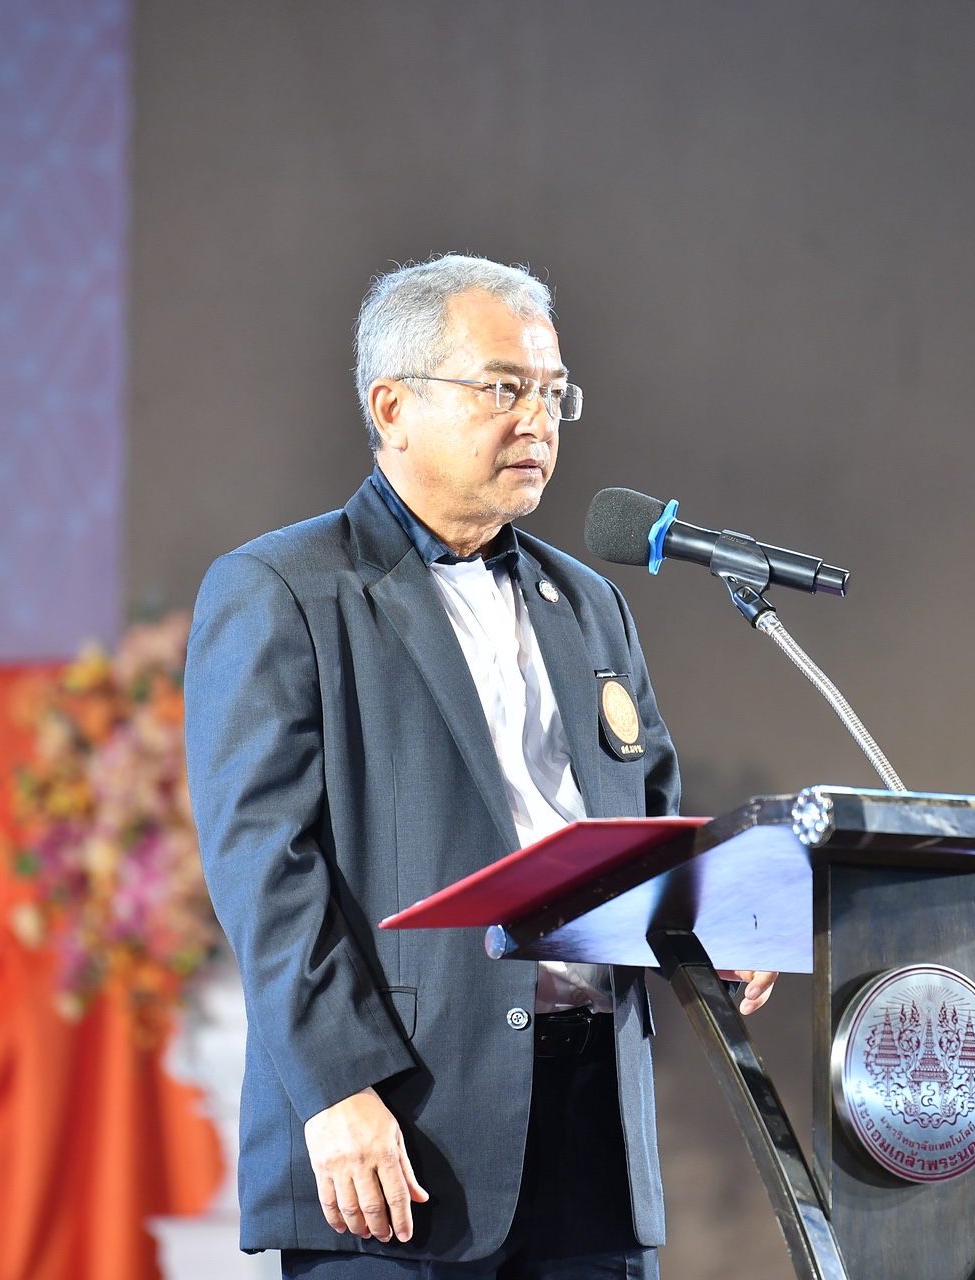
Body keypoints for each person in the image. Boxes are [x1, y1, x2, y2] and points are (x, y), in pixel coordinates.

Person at [185, 254, 776, 1279]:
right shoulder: (284, 589)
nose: (537, 420)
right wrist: (336, 1089)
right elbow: (264, 869)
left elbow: (648, 819)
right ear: (393, 406)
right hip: (402, 1123)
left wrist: (715, 921)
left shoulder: (588, 602)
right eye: (504, 389)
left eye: (553, 393)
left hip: (592, 1124)